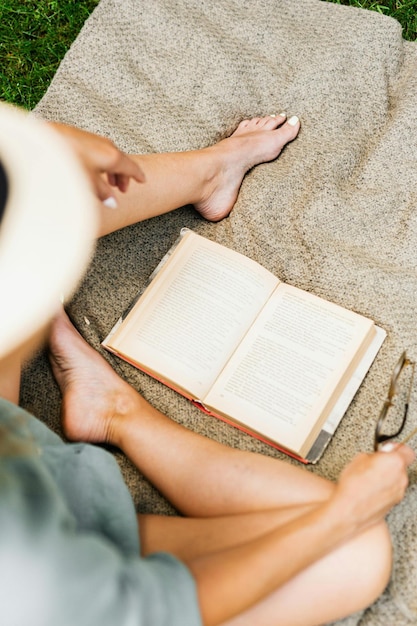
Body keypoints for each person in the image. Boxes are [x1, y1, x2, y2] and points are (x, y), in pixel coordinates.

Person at [0, 102, 414, 626]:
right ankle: (119, 412)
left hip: (44, 496)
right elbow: (159, 610)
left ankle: (214, 170)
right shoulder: (26, 574)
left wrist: (44, 148)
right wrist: (341, 515)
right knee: (356, 552)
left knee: (36, 195)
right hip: (84, 591)